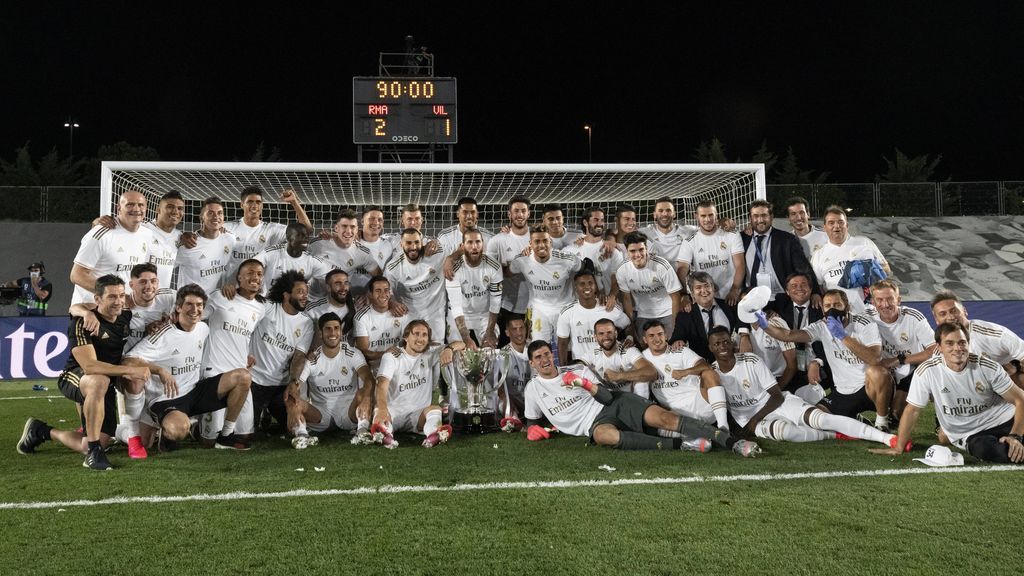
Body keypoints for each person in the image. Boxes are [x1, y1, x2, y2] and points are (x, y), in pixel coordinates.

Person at [523, 339, 760, 456]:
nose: (545, 360)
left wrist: (583, 384)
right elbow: (532, 422)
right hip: (594, 425)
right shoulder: (532, 389)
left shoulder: (577, 371)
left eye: (547, 354)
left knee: (665, 418)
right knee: (606, 436)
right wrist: (532, 429)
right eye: (539, 357)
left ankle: (731, 442)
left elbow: (606, 397)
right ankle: (683, 444)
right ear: (532, 363)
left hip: (616, 403)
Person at [17, 275, 150, 470]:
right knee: (99, 380)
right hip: (75, 376)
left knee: (89, 443)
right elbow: (90, 366)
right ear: (97, 300)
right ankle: (94, 455)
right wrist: (131, 370)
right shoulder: (82, 324)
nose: (119, 301)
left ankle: (42, 431)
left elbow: (75, 307)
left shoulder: (124, 315)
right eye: (112, 297)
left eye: (121, 296)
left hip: (104, 383)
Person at [708, 327, 899, 447]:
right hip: (752, 419)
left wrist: (754, 420)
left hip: (777, 404)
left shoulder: (751, 360)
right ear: (711, 348)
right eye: (717, 343)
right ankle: (835, 436)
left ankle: (885, 438)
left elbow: (776, 396)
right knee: (787, 433)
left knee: (820, 420)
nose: (722, 346)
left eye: (726, 341)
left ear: (732, 343)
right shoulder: (712, 373)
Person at [123, 284, 254, 451]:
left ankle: (226, 436)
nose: (195, 309)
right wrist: (159, 370)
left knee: (243, 376)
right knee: (174, 432)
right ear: (178, 307)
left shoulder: (203, 329)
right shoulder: (163, 335)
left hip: (194, 392)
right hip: (167, 399)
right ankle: (166, 430)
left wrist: (247, 355)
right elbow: (128, 361)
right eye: (189, 304)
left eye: (199, 305)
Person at [872, 323, 1024, 464]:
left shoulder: (988, 367)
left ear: (968, 344)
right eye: (949, 343)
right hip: (972, 434)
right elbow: (912, 410)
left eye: (962, 342)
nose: (957, 348)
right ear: (939, 347)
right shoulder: (927, 371)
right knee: (987, 451)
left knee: (1014, 444)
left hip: (1006, 420)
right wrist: (899, 447)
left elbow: (1020, 399)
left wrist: (1014, 435)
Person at [756, 289, 894, 432]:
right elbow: (788, 335)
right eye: (828, 306)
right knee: (816, 422)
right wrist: (765, 325)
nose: (832, 309)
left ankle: (882, 422)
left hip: (869, 387)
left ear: (847, 306)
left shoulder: (864, 323)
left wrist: (842, 336)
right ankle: (855, 418)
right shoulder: (822, 326)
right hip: (842, 391)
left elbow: (875, 358)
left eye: (837, 304)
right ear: (823, 309)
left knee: (878, 372)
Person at [197, 259, 267, 446]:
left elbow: (247, 336)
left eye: (259, 274)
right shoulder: (221, 297)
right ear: (239, 277)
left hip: (240, 371)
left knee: (245, 435)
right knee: (207, 442)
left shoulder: (260, 308)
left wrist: (248, 354)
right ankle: (200, 426)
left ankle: (226, 435)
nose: (255, 277)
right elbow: (196, 318)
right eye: (250, 273)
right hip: (215, 369)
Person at [285, 313, 375, 448]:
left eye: (336, 328)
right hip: (321, 414)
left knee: (364, 392)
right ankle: (302, 436)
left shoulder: (353, 353)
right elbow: (295, 386)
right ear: (320, 333)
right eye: (328, 329)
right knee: (292, 398)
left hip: (349, 412)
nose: (333, 332)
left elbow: (369, 379)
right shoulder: (312, 359)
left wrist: (367, 397)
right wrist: (292, 407)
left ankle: (362, 431)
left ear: (341, 331)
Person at [370, 320, 463, 449]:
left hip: (418, 415)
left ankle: (433, 435)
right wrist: (382, 409)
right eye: (416, 334)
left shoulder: (431, 353)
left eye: (424, 335)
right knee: (378, 413)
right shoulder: (392, 356)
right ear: (406, 337)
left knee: (435, 409)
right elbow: (381, 385)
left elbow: (462, 344)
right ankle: (385, 434)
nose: (421, 338)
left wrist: (449, 349)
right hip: (393, 412)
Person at [248, 271, 315, 434]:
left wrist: (293, 382)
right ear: (286, 295)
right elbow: (244, 327)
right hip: (254, 381)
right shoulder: (268, 307)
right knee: (246, 434)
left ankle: (271, 410)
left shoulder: (306, 323)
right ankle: (258, 414)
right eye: (300, 292)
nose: (305, 296)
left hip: (280, 385)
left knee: (292, 428)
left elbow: (299, 356)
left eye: (306, 292)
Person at [865, 280, 937, 421]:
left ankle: (941, 419)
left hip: (910, 370)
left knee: (897, 415)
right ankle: (881, 414)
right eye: (879, 300)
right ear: (873, 302)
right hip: (884, 372)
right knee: (874, 373)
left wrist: (898, 360)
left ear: (898, 300)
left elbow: (934, 350)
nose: (885, 304)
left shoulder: (913, 317)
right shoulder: (865, 316)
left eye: (890, 299)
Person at [642, 321, 731, 432]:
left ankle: (723, 426)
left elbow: (705, 366)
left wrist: (685, 372)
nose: (657, 339)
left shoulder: (680, 351)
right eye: (651, 336)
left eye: (660, 334)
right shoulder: (642, 358)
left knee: (709, 374)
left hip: (702, 404)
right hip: (675, 413)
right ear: (645, 340)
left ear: (666, 336)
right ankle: (699, 437)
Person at [70, 190, 154, 306]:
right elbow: (77, 275)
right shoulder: (101, 233)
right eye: (130, 204)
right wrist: (116, 296)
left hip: (122, 311)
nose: (136, 209)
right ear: (118, 208)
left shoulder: (147, 234)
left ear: (146, 209)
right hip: (93, 311)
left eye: (140, 205)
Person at [930, 290, 1024, 390]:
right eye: (943, 314)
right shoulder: (939, 351)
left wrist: (1014, 371)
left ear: (964, 311)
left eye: (954, 311)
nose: (950, 317)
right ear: (936, 320)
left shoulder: (993, 333)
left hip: (1009, 384)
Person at [509, 224, 583, 349]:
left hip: (564, 308)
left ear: (551, 242)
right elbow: (507, 272)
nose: (541, 245)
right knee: (538, 348)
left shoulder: (566, 259)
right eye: (537, 241)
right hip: (539, 309)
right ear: (530, 244)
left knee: (569, 348)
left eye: (545, 241)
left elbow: (586, 268)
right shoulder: (522, 260)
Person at [809, 205, 890, 314]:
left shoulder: (864, 243)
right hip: (839, 313)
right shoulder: (818, 255)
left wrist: (867, 271)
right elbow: (818, 286)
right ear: (825, 227)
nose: (836, 226)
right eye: (831, 223)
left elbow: (886, 269)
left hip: (870, 310)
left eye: (840, 222)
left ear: (847, 225)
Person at [223, 186, 313, 279]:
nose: (254, 205)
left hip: (260, 290)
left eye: (258, 202)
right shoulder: (228, 227)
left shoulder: (271, 230)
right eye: (250, 202)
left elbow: (306, 230)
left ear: (262, 206)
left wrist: (294, 202)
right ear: (241, 205)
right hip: (232, 289)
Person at [767, 272, 831, 394]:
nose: (799, 288)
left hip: (816, 362)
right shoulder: (781, 302)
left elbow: (833, 343)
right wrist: (768, 311)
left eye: (803, 284)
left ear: (811, 289)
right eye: (794, 286)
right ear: (787, 291)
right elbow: (752, 307)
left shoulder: (822, 307)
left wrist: (818, 362)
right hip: (788, 364)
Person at [741, 200, 818, 301]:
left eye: (764, 215)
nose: (760, 220)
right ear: (750, 218)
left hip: (781, 299)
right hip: (752, 298)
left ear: (771, 217)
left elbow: (803, 268)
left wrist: (815, 292)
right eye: (755, 216)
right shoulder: (742, 238)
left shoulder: (787, 239)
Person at [615, 231, 682, 343]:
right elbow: (626, 299)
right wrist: (631, 325)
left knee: (667, 344)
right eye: (633, 251)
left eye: (641, 249)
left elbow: (675, 296)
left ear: (646, 248)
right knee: (643, 345)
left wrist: (676, 324)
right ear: (627, 251)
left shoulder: (662, 266)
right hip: (643, 314)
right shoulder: (622, 270)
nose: (638, 254)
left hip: (667, 312)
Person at [556, 268, 630, 365]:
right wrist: (563, 368)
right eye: (582, 284)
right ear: (575, 287)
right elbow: (562, 343)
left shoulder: (609, 307)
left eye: (590, 283)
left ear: (595, 286)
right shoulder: (567, 312)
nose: (587, 287)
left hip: (610, 365)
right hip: (582, 367)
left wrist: (630, 337)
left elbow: (628, 325)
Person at [385, 228, 448, 341]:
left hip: (435, 313)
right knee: (410, 350)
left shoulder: (438, 254)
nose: (413, 247)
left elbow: (459, 251)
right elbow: (387, 292)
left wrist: (450, 258)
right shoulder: (392, 268)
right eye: (408, 243)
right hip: (409, 314)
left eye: (416, 242)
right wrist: (392, 302)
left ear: (422, 242)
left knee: (436, 351)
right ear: (401, 244)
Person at [679, 200, 745, 307]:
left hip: (730, 296)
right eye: (703, 216)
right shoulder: (689, 242)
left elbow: (740, 265)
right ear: (696, 216)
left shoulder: (732, 234)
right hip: (705, 298)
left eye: (711, 215)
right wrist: (684, 294)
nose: (707, 219)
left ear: (716, 215)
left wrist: (735, 289)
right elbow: (682, 270)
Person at [669, 272, 745, 363]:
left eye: (707, 286)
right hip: (705, 365)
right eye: (698, 288)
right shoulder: (686, 315)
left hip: (733, 360)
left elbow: (744, 319)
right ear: (692, 293)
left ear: (713, 288)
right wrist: (678, 341)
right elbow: (677, 336)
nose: (704, 291)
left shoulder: (729, 306)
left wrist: (745, 336)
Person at [486, 196, 532, 347]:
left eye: (523, 211)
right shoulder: (498, 240)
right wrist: (519, 261)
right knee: (506, 350)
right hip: (508, 307)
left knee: (535, 348)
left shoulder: (538, 238)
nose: (520, 215)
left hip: (536, 305)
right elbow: (493, 274)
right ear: (509, 214)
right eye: (516, 211)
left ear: (529, 213)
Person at [175, 197, 237, 306]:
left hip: (217, 304)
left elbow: (233, 265)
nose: (216, 216)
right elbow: (165, 267)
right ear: (201, 217)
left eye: (220, 213)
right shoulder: (188, 245)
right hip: (191, 305)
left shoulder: (229, 239)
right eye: (210, 213)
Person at [447, 228, 503, 348]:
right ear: (462, 246)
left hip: (483, 315)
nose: (474, 246)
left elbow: (495, 302)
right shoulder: (454, 269)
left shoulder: (494, 266)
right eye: (470, 242)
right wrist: (466, 337)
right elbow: (456, 306)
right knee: (459, 350)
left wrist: (490, 331)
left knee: (490, 347)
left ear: (483, 244)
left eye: (478, 242)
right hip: (459, 315)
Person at [576, 318, 657, 398]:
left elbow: (652, 372)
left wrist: (619, 375)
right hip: (606, 397)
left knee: (642, 383)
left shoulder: (628, 350)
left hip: (630, 397)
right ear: (595, 337)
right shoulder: (592, 353)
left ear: (616, 334)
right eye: (601, 333)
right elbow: (576, 368)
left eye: (609, 332)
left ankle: (641, 409)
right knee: (583, 374)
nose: (606, 337)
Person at [309, 208, 382, 298]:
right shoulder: (317, 243)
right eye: (344, 226)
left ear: (357, 230)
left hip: (340, 300)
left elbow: (379, 276)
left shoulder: (363, 252)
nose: (348, 231)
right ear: (336, 228)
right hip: (312, 298)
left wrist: (369, 295)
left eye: (352, 227)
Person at [253, 222, 332, 299]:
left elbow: (333, 278)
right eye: (300, 235)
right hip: (269, 301)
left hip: (294, 305)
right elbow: (250, 266)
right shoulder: (271, 253)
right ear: (288, 238)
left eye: (306, 235)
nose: (306, 238)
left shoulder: (311, 260)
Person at [562, 206, 623, 299]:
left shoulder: (612, 251)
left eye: (602, 220)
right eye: (595, 220)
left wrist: (611, 297)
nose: (600, 223)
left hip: (605, 307)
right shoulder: (570, 251)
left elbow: (618, 281)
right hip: (580, 307)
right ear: (585, 222)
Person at [354, 276, 410, 371]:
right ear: (370, 294)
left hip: (398, 366)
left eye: (386, 290)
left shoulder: (401, 313)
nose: (383, 294)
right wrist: (385, 353)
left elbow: (409, 342)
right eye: (378, 291)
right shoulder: (361, 317)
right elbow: (362, 352)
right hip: (373, 368)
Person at [144, 190, 186, 288]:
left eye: (180, 208)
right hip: (137, 298)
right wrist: (101, 221)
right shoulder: (142, 229)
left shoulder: (180, 237)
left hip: (161, 298)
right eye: (170, 207)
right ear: (158, 210)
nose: (175, 211)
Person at [640, 196, 696, 266]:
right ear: (654, 215)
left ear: (674, 214)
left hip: (682, 275)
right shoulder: (644, 233)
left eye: (668, 210)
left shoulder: (688, 231)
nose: (665, 214)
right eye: (660, 211)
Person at [358, 205, 395, 271]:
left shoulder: (387, 245)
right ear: (362, 221)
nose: (376, 223)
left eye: (380, 220)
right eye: (371, 219)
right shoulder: (351, 242)